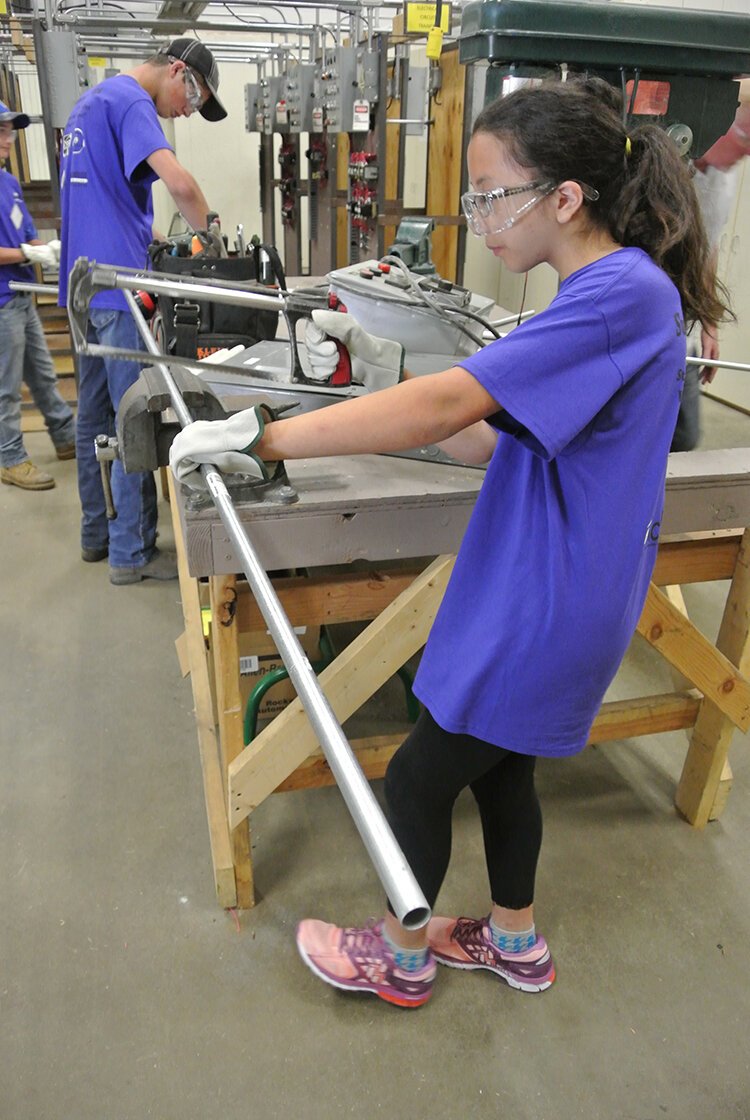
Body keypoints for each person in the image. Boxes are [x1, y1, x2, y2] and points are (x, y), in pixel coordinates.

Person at [170, 77, 730, 1009]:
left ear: (563, 198)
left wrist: (262, 432)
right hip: (547, 582)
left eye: (489, 194)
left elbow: (448, 404)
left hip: (546, 598)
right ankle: (516, 941)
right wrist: (350, 399)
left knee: (422, 779)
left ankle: (402, 954)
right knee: (505, 773)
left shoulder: (618, 294)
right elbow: (472, 430)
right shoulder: (602, 293)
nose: (478, 218)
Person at [58, 39, 226, 584]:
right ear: (177, 70)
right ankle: (130, 553)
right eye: (192, 96)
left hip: (82, 290)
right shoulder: (132, 102)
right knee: (133, 422)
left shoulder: (90, 105)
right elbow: (180, 184)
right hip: (117, 293)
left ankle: (96, 537)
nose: (187, 110)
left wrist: (160, 240)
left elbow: (108, 202)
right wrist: (211, 242)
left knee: (93, 422)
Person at [0, 102, 76, 491]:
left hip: (20, 297)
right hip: (1, 302)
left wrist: (46, 247)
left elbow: (26, 232)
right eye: (1, 132)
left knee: (43, 374)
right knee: (7, 387)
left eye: (10, 132)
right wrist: (26, 254)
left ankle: (65, 436)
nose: (8, 141)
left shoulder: (9, 185)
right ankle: (10, 457)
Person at [670, 100, 750, 452]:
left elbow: (709, 248)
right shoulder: (665, 166)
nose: (742, 152)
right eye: (742, 137)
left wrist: (710, 324)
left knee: (684, 437)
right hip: (646, 323)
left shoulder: (719, 178)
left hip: (679, 329)